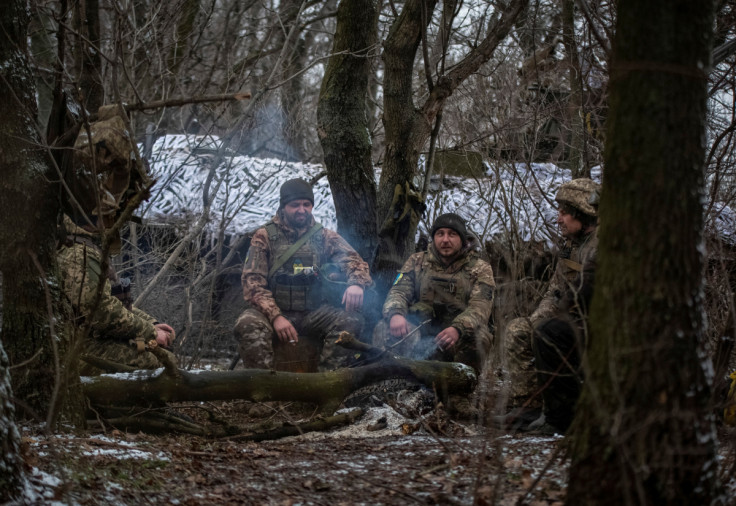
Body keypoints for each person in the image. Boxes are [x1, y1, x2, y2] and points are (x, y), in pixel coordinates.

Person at [58, 105, 176, 375]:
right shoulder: (77, 249)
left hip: (90, 342)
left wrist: (152, 323)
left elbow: (113, 301)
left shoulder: (90, 244)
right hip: (75, 351)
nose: (119, 213)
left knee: (161, 354)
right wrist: (149, 331)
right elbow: (98, 311)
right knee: (154, 363)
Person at [233, 178, 373, 372]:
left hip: (313, 314)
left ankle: (325, 384)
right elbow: (253, 282)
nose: (302, 210)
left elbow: (355, 261)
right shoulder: (264, 236)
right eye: (295, 205)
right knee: (246, 323)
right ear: (283, 206)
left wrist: (356, 283)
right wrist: (275, 316)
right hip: (274, 312)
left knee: (352, 320)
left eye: (306, 204)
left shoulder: (324, 236)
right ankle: (263, 387)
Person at [499, 178, 600, 431]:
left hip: (594, 325)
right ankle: (528, 407)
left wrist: (548, 324)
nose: (558, 219)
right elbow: (555, 289)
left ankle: (557, 415)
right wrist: (537, 320)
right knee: (519, 330)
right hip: (567, 320)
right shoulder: (569, 246)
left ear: (583, 213)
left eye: (564, 213)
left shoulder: (603, 245)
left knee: (548, 334)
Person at [373, 213, 495, 374]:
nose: (445, 240)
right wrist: (396, 313)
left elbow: (480, 308)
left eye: (452, 234)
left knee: (479, 337)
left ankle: (465, 388)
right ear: (434, 238)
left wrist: (458, 329)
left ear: (463, 239)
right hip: (423, 326)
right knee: (385, 327)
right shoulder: (417, 261)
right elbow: (399, 291)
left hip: (457, 333)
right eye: (440, 234)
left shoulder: (480, 268)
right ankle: (392, 380)